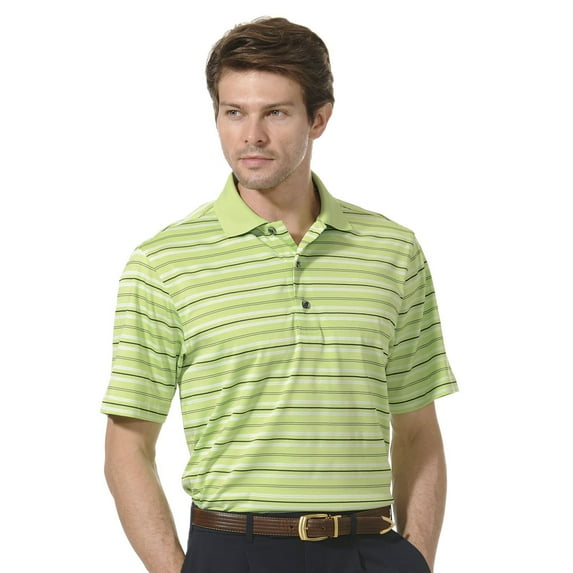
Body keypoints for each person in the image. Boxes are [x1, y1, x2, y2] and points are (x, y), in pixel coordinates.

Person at [102, 16, 458, 573]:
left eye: (275, 112)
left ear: (319, 118)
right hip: (234, 551)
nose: (252, 136)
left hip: (370, 549)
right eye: (233, 112)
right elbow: (127, 446)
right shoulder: (164, 262)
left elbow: (417, 430)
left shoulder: (392, 251)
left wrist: (416, 559)